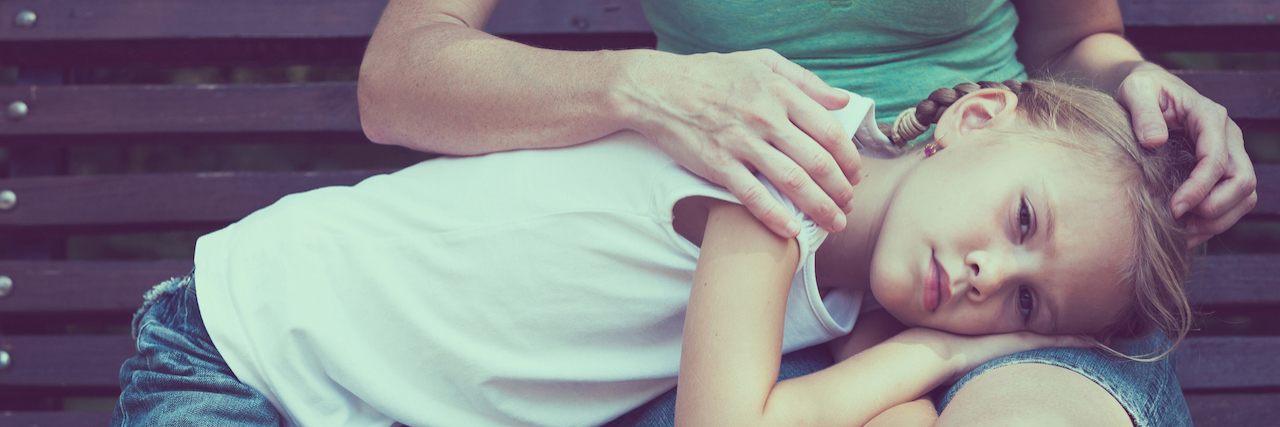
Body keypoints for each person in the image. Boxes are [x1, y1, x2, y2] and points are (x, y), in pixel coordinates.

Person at [357, 1, 1256, 424]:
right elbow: (398, 79)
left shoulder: (1016, 264)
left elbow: (1076, 39)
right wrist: (642, 86)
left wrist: (1132, 83)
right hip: (738, 259)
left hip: (992, 237)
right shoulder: (756, 213)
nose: (1000, 273)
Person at [111, 79, 1204, 426]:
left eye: (1023, 307)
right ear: (973, 117)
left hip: (381, 402)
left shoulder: (860, 280)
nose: (986, 277)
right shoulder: (780, 161)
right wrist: (937, 354)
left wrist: (911, 363)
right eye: (1022, 223)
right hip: (251, 346)